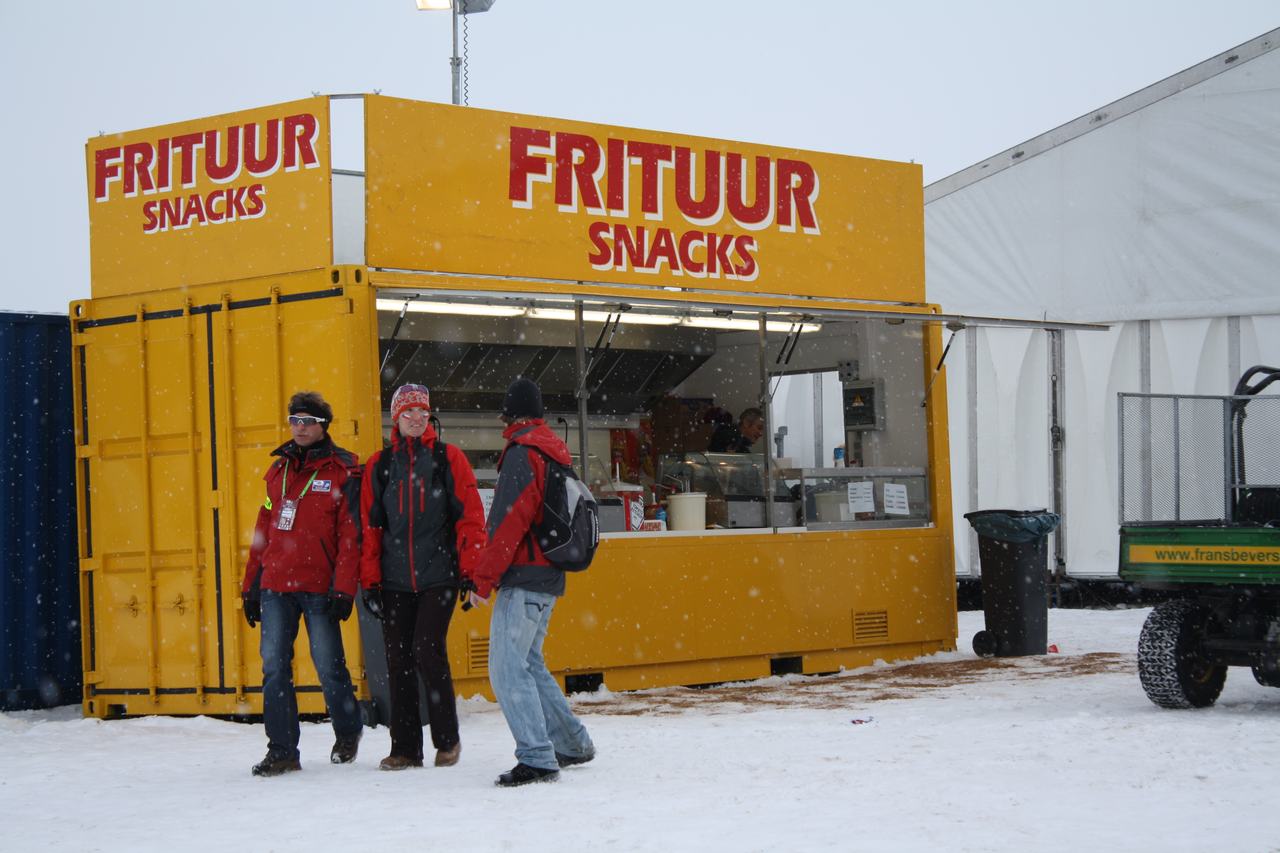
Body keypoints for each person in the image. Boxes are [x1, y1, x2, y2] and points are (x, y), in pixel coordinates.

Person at [465, 377, 596, 787]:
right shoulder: (552, 450)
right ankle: (571, 743)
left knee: (506, 669)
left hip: (524, 577)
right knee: (529, 664)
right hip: (547, 574)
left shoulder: (523, 454)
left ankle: (538, 757)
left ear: (508, 414)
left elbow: (506, 525)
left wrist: (481, 581)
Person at [358, 383, 486, 771]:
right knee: (398, 660)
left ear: (430, 417)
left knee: (427, 650)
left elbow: (471, 519)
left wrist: (471, 573)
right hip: (395, 581)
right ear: (395, 418)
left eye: (422, 413)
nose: (416, 419)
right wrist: (371, 581)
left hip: (439, 576)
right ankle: (405, 749)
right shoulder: (380, 466)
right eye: (408, 412)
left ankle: (446, 740)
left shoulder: (449, 459)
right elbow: (371, 529)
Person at [241, 391, 363, 777]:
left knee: (329, 667)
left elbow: (350, 536)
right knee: (274, 667)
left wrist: (344, 589)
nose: (300, 427)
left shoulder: (343, 472)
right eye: (295, 420)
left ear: (323, 425)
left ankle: (347, 730)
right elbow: (263, 530)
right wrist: (250, 585)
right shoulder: (276, 472)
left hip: (320, 587)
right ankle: (282, 751)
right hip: (276, 585)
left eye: (308, 420)